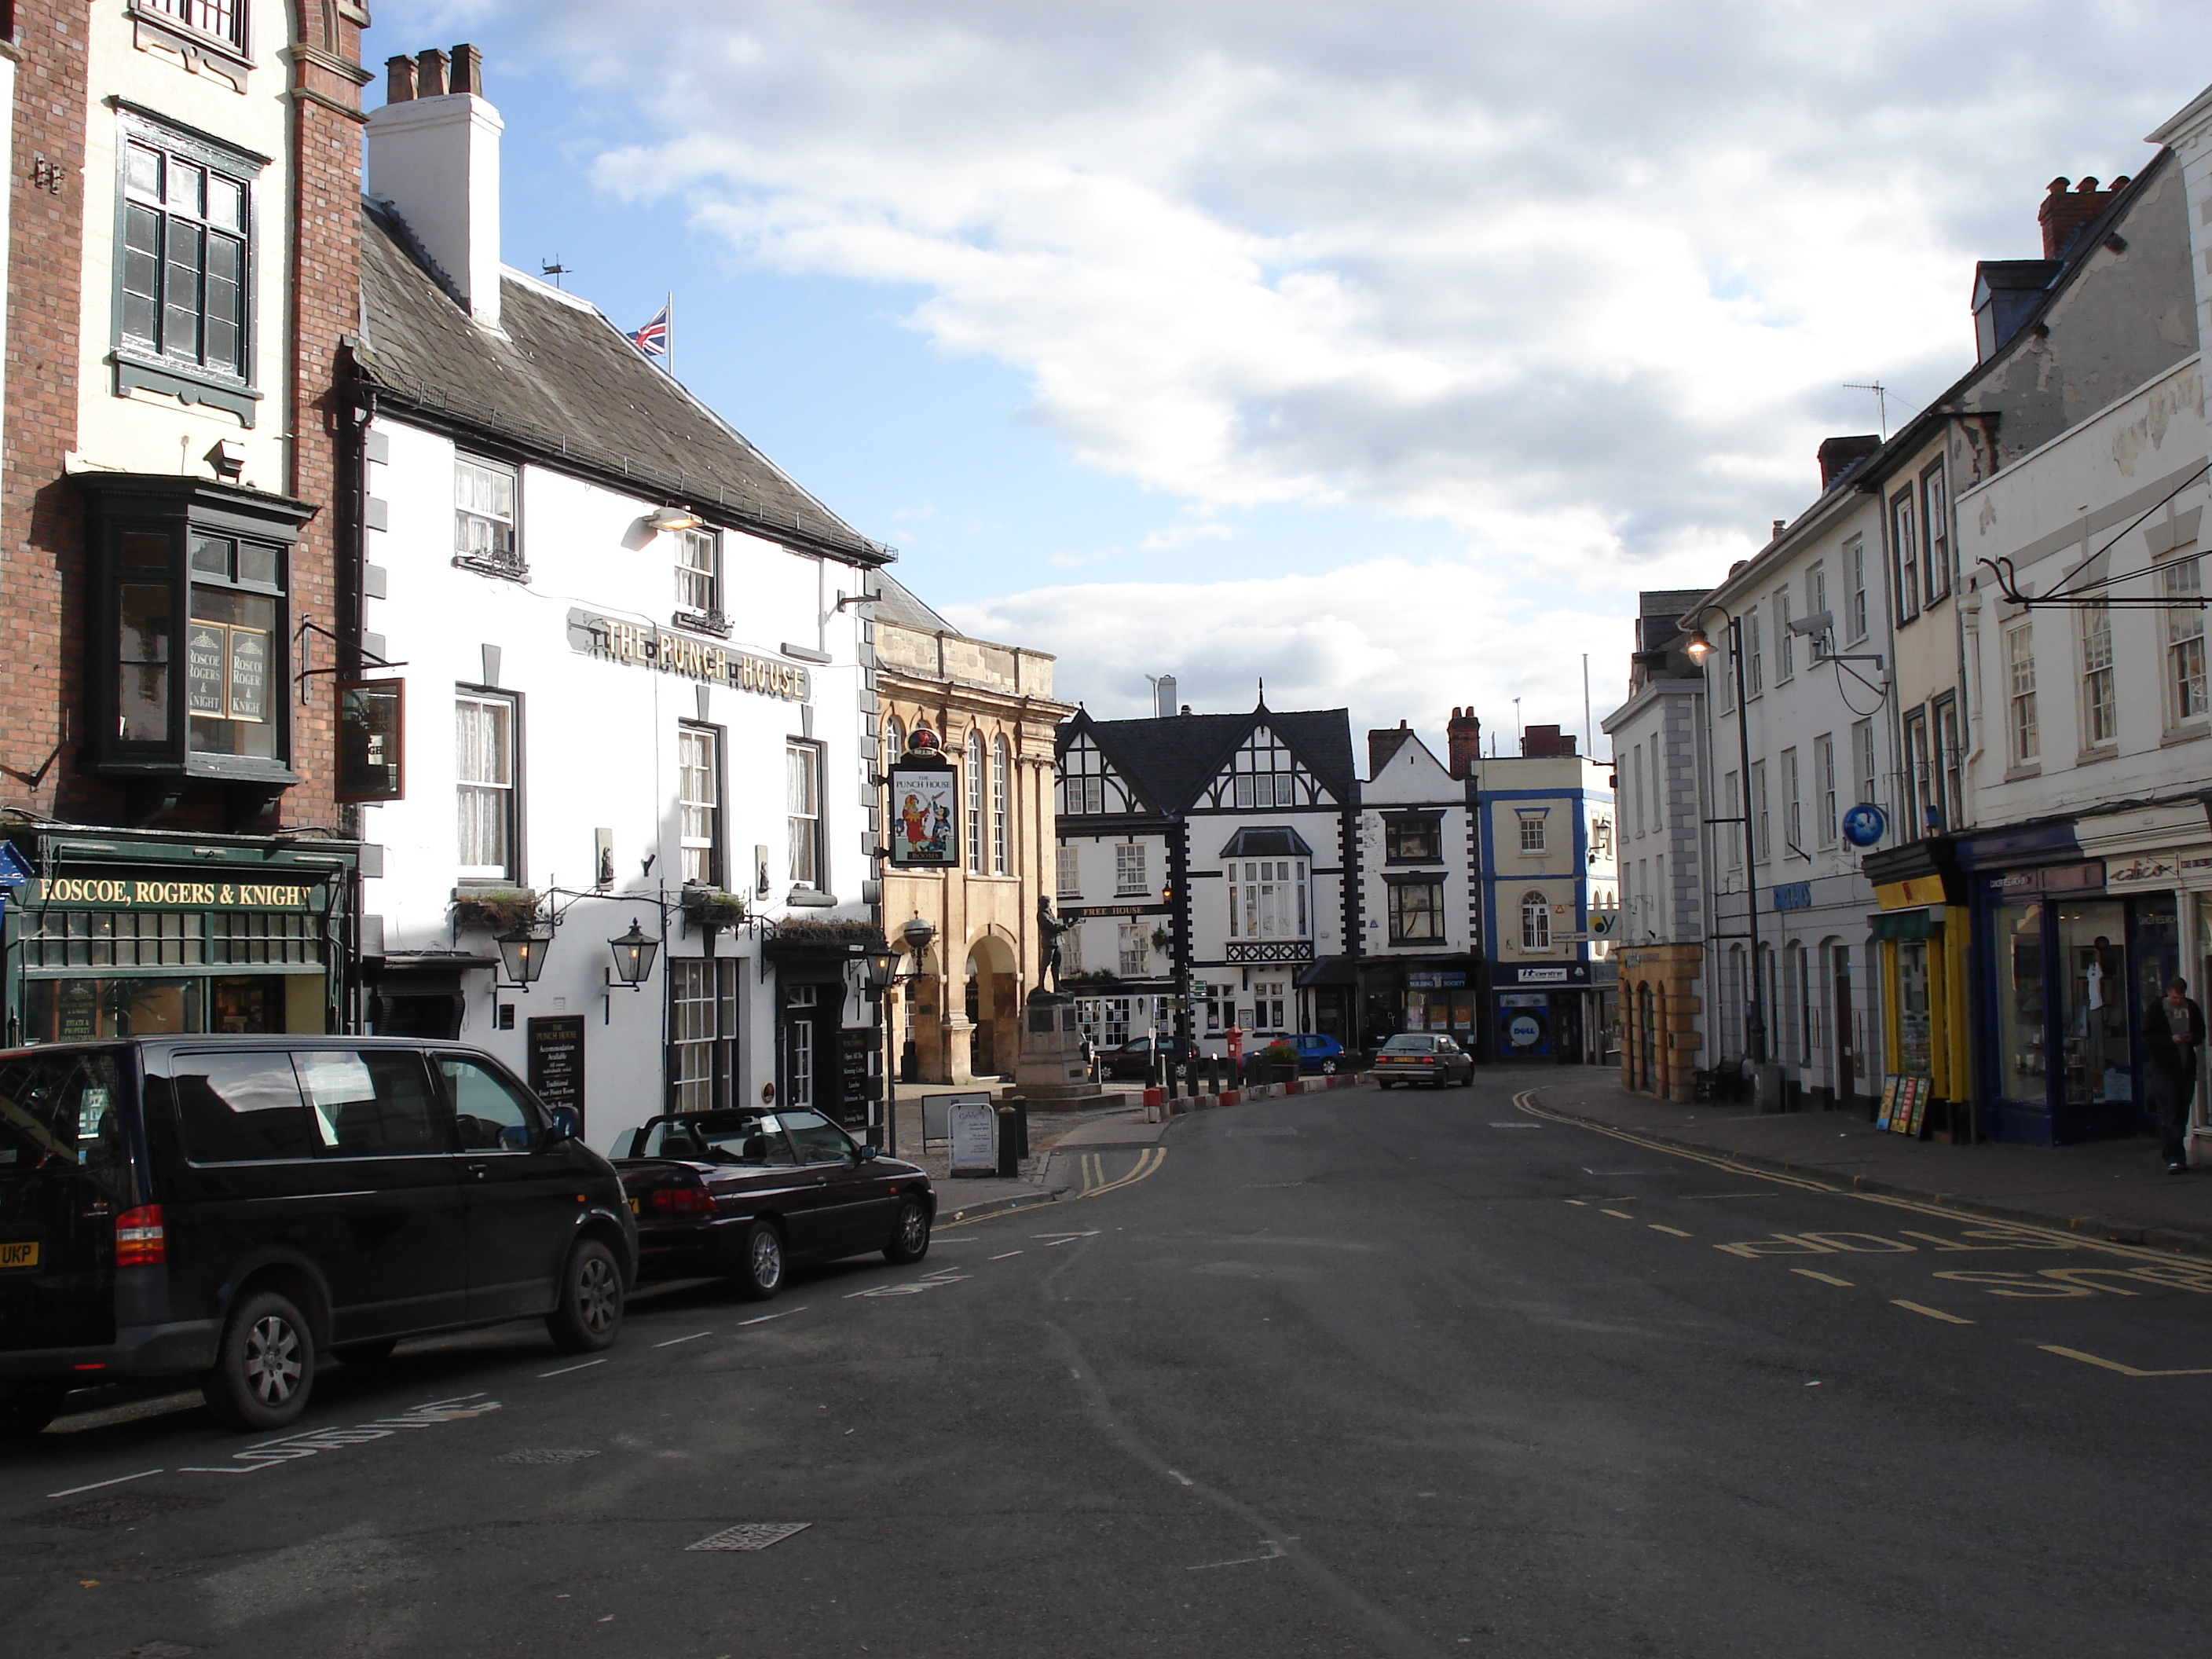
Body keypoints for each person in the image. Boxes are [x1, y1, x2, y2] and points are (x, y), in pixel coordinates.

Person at [2140, 975, 2205, 1173]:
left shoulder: (2191, 1007)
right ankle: (2173, 1157)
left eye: (2181, 998)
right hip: (2164, 1068)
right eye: (2175, 998)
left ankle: (2179, 1156)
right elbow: (2148, 1036)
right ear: (2168, 993)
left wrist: (2191, 1037)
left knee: (2182, 1112)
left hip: (2185, 1068)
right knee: (2169, 1114)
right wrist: (2170, 1040)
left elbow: (2201, 1032)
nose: (2178, 1002)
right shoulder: (2157, 1009)